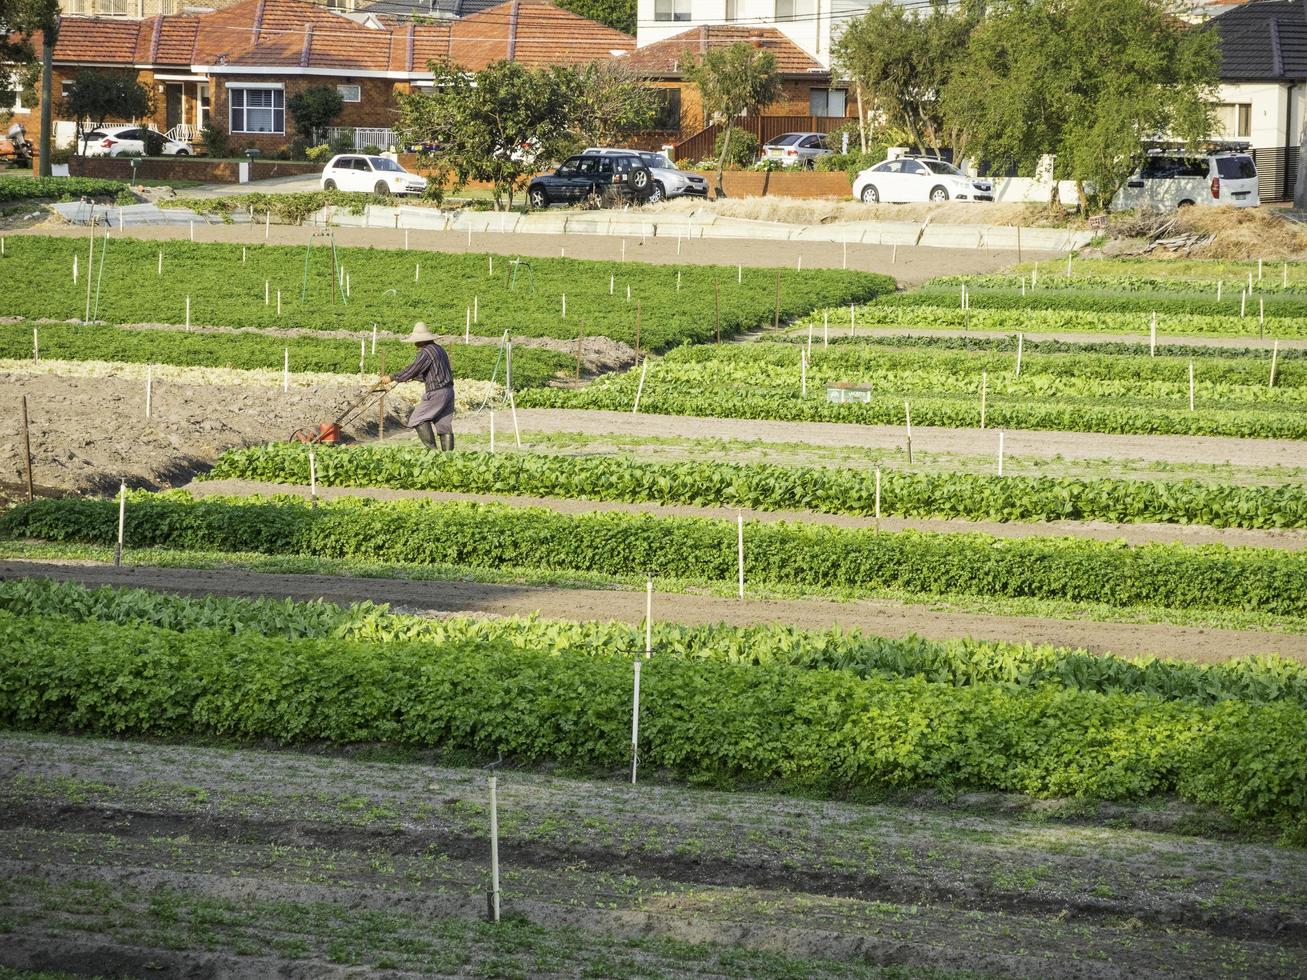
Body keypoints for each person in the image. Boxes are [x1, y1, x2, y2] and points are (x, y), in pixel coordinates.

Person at [381, 322, 455, 451]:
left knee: (417, 418)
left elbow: (413, 369)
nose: (415, 344)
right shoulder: (439, 349)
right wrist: (413, 378)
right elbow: (432, 372)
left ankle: (433, 452)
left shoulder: (426, 352)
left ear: (421, 340)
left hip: (436, 392)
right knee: (444, 426)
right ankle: (448, 459)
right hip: (448, 391)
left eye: (416, 341)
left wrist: (392, 377)